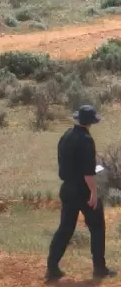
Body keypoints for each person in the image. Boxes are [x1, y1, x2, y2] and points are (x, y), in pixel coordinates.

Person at [45, 105, 116, 283]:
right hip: (83, 189)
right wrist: (93, 192)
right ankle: (99, 268)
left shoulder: (66, 135)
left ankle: (52, 267)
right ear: (91, 122)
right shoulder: (86, 140)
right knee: (97, 226)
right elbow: (88, 173)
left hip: (67, 188)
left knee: (65, 228)